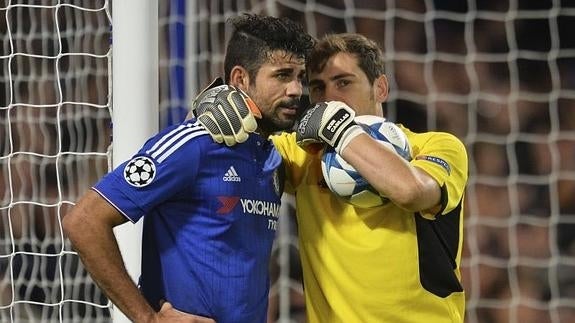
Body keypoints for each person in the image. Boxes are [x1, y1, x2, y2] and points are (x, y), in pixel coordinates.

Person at [196, 33, 468, 323]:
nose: (330, 98)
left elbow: (412, 191)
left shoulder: (435, 145)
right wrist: (210, 107)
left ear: (381, 88)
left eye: (343, 82)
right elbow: (221, 155)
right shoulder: (303, 154)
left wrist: (343, 132)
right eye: (318, 87)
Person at [62, 14, 314, 323]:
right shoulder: (193, 145)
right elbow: (83, 221)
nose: (296, 90)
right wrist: (148, 319)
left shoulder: (273, 160)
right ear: (240, 80)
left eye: (300, 76)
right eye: (282, 75)